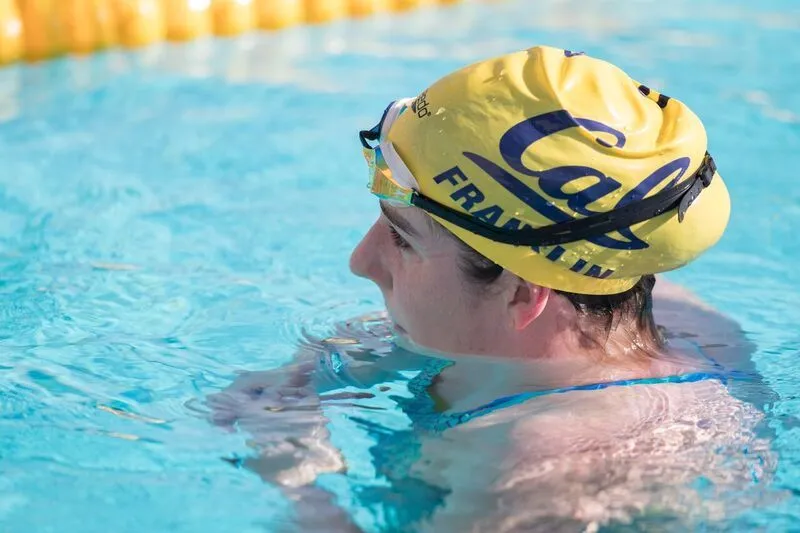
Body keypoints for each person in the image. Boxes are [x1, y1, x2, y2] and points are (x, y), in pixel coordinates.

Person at [207, 45, 777, 532]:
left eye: (403, 239)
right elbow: (409, 334)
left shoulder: (546, 469)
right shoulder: (642, 295)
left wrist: (295, 477)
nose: (362, 262)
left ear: (523, 294)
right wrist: (315, 372)